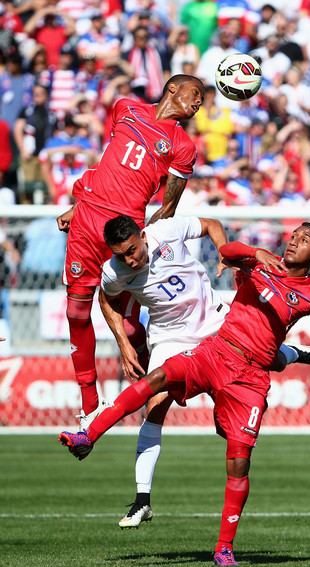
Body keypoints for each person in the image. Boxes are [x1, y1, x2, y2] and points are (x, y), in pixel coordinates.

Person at [59, 222, 310, 567]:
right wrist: (254, 253)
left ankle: (224, 548)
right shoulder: (260, 264)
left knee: (238, 461)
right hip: (215, 350)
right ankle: (88, 436)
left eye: (303, 240)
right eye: (293, 235)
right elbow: (227, 252)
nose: (294, 241)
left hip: (249, 379)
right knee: (158, 380)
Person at [99, 214, 310, 528]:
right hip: (170, 336)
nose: (130, 259)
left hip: (213, 320)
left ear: (142, 236)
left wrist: (225, 254)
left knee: (265, 359)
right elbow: (106, 298)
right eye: (121, 255)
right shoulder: (114, 272)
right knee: (154, 405)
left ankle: (291, 353)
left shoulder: (165, 231)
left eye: (132, 250)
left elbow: (210, 224)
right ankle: (142, 500)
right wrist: (124, 344)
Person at [56, 74, 205, 428]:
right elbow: (110, 165)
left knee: (126, 322)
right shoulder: (125, 109)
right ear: (172, 89)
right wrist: (78, 207)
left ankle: (152, 385)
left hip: (124, 237)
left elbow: (168, 207)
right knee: (77, 312)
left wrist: (147, 237)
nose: (199, 102)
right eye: (195, 94)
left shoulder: (182, 145)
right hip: (88, 219)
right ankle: (89, 404)